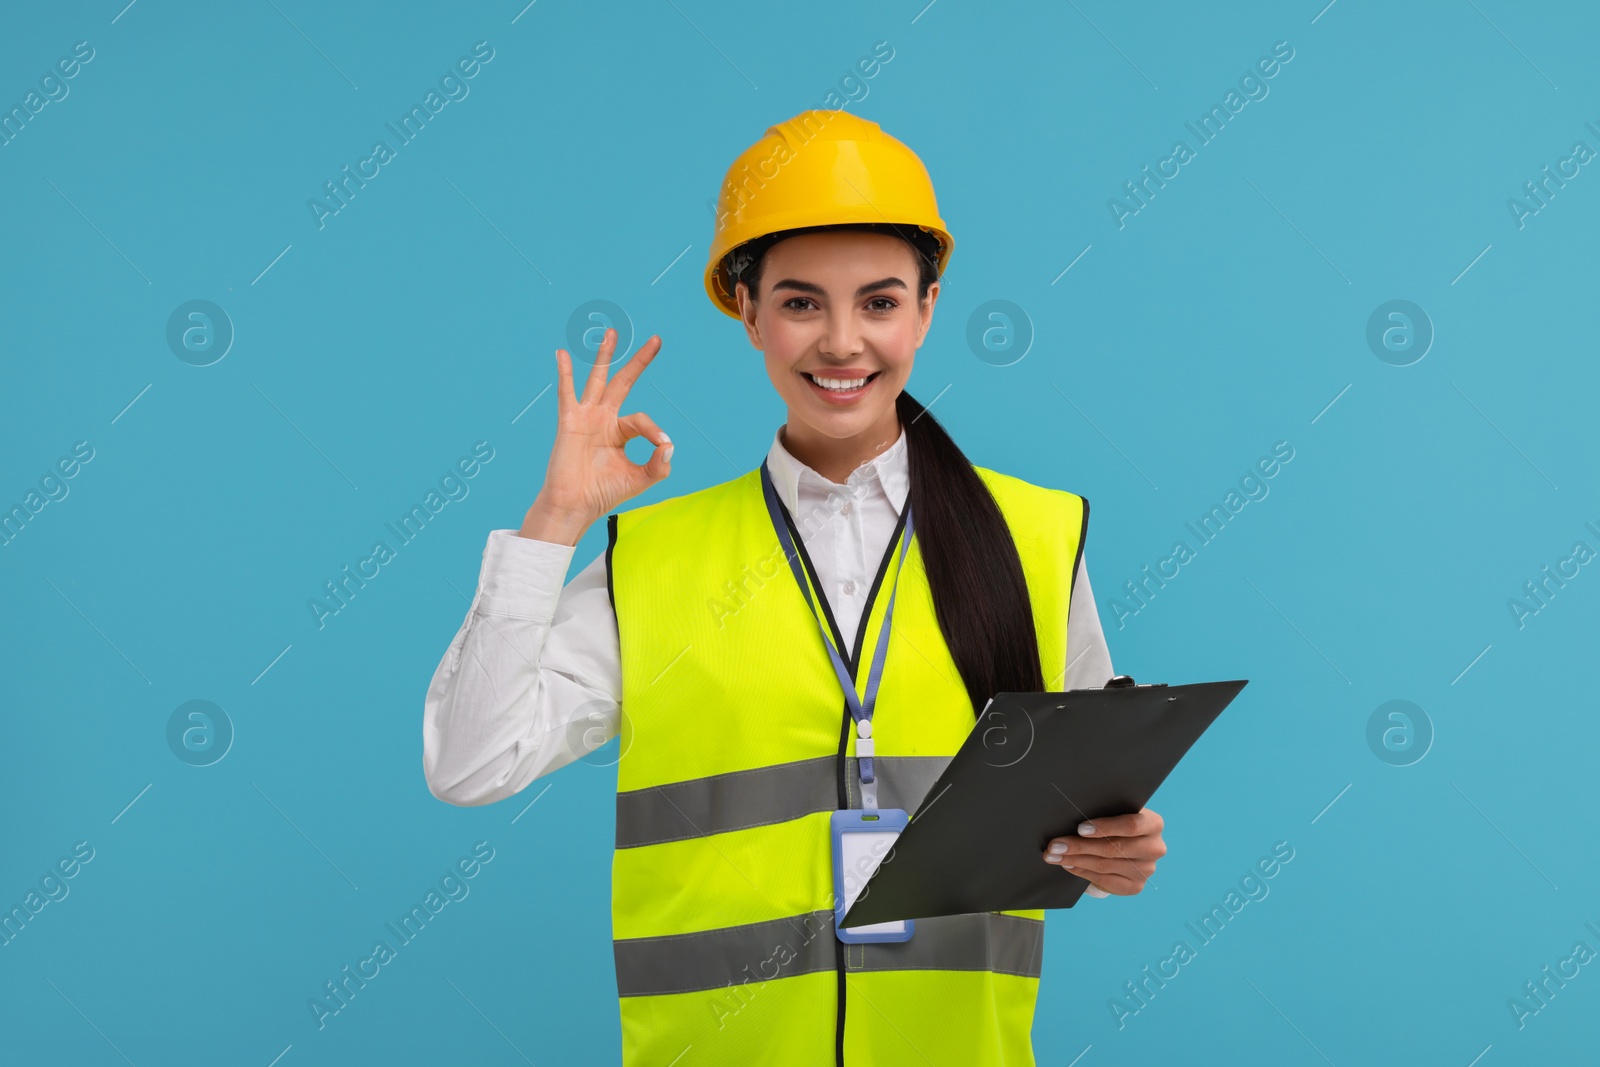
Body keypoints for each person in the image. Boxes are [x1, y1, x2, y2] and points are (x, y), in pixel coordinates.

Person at [423, 109, 1167, 1066]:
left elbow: (1080, 825)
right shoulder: (654, 558)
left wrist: (1120, 851)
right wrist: (553, 521)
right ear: (749, 311)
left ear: (929, 308)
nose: (844, 341)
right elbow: (470, 764)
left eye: (882, 302)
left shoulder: (1035, 536)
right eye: (803, 302)